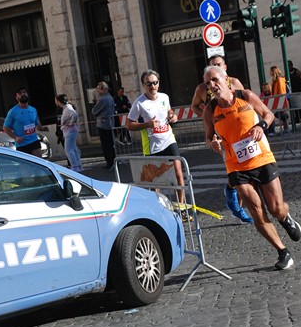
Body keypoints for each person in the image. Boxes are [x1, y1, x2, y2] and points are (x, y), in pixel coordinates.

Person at [202, 65, 301, 270]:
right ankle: (283, 252)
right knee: (256, 211)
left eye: (214, 80)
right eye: (207, 83)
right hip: (235, 166)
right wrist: (212, 143)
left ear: (226, 79)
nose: (212, 85)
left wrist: (260, 127)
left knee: (275, 208)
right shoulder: (210, 110)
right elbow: (207, 137)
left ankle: (285, 217)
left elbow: (268, 114)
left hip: (261, 158)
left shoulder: (246, 96)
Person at [191, 54, 253, 224]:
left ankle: (235, 199)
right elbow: (194, 105)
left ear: (224, 68)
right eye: (212, 65)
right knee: (235, 170)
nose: (212, 82)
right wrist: (207, 117)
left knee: (245, 170)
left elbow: (247, 103)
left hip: (241, 133)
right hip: (221, 135)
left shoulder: (235, 83)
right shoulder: (202, 89)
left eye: (218, 64)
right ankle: (238, 208)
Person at [126, 70, 188, 217]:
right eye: (148, 83)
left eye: (155, 83)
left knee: (178, 174)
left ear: (158, 83)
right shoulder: (139, 103)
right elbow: (129, 125)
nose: (152, 86)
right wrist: (147, 124)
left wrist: (172, 116)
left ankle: (182, 208)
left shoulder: (164, 97)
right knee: (155, 182)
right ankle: (158, 210)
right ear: (143, 85)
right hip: (152, 146)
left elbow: (168, 111)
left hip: (168, 140)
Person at [3, 87, 45, 157]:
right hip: (22, 144)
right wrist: (16, 138)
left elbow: (37, 125)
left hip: (34, 141)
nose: (23, 94)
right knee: (26, 167)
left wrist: (42, 128)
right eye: (20, 93)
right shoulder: (13, 112)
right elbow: (5, 128)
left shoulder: (33, 110)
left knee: (38, 165)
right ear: (16, 97)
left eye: (24, 92)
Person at [55, 94, 83, 173]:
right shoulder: (67, 107)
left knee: (68, 149)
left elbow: (74, 114)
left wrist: (71, 123)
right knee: (73, 148)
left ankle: (75, 167)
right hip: (70, 131)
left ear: (59, 102)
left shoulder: (67, 108)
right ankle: (78, 166)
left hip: (70, 131)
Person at [92, 81, 115, 169]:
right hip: (109, 123)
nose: (97, 91)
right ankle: (112, 160)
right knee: (110, 143)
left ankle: (109, 162)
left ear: (103, 89)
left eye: (98, 89)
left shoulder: (103, 99)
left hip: (103, 124)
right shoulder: (110, 97)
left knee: (106, 145)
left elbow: (94, 111)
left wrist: (94, 104)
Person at [270, 65, 289, 134]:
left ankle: (286, 127)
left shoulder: (279, 79)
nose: (270, 73)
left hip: (280, 98)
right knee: (279, 113)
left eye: (271, 71)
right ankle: (285, 127)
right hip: (277, 98)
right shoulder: (275, 80)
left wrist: (280, 98)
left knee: (281, 113)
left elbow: (281, 90)